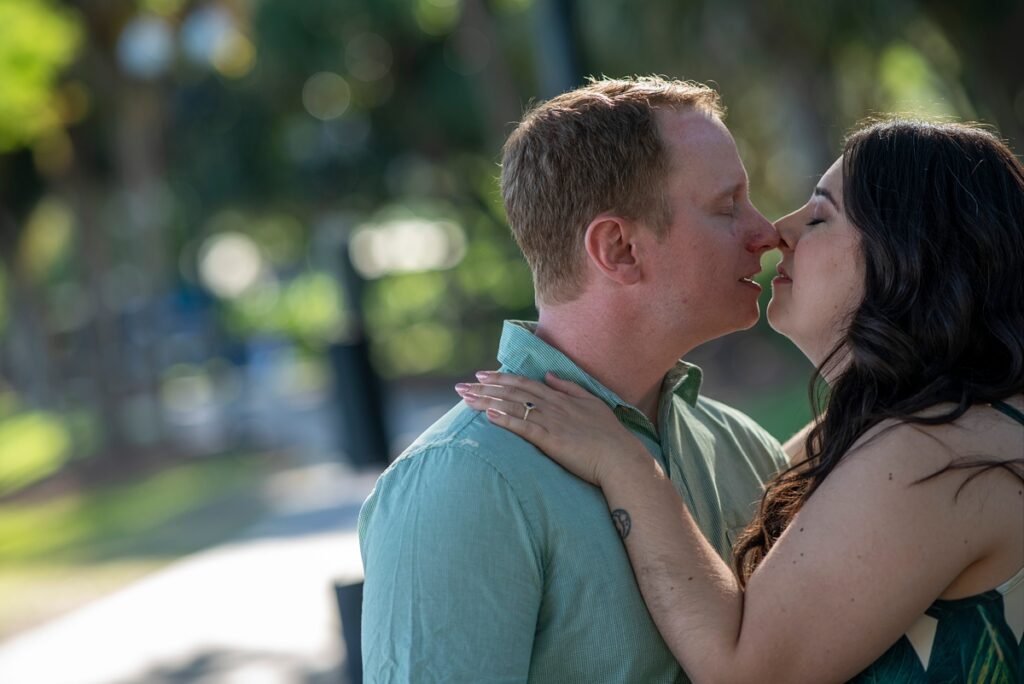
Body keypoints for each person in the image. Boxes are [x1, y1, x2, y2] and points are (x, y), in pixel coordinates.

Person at [459, 118, 1024, 682]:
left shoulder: (936, 452)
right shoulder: (928, 429)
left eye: (820, 216)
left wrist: (621, 459)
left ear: (910, 257)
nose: (780, 230)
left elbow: (746, 674)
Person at [358, 76, 790, 682]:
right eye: (727, 206)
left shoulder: (744, 448)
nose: (766, 232)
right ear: (619, 248)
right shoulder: (465, 483)